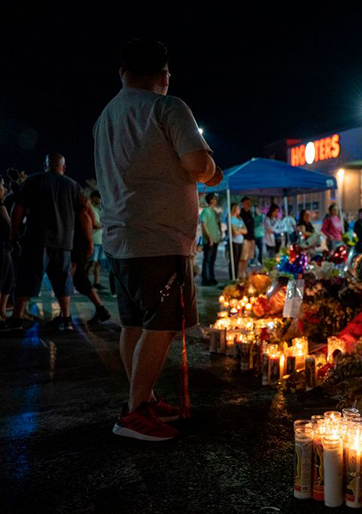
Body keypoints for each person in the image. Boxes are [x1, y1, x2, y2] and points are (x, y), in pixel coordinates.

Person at [94, 39, 223, 441]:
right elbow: (198, 165)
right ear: (164, 76)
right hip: (160, 239)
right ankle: (133, 413)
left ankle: (143, 399)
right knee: (161, 326)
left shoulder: (105, 117)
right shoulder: (166, 107)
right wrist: (212, 170)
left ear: (122, 73)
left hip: (119, 238)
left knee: (133, 323)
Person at [0, 153, 91, 332]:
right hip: (63, 242)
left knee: (27, 278)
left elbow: (18, 207)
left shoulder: (35, 180)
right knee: (63, 280)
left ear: (46, 165)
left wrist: (14, 233)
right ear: (63, 167)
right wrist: (88, 243)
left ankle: (17, 318)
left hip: (36, 239)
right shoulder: (73, 186)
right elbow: (84, 216)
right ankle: (66, 319)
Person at [71, 196, 111, 324]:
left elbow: (89, 227)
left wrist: (89, 245)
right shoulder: (86, 213)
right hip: (79, 249)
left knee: (74, 278)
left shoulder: (82, 214)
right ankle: (101, 310)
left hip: (77, 249)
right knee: (80, 279)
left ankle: (65, 315)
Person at [200, 193, 221, 286]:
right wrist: (209, 237)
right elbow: (203, 225)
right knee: (207, 260)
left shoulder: (214, 212)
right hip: (209, 240)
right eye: (214, 199)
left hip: (215, 239)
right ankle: (205, 279)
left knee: (212, 260)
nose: (215, 200)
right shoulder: (206, 211)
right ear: (211, 200)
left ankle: (212, 278)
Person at [87, 190, 105, 290]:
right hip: (94, 240)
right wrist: (103, 224)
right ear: (94, 198)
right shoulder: (90, 209)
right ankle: (85, 281)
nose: (100, 200)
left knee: (98, 262)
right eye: (99, 198)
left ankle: (96, 282)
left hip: (100, 240)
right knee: (91, 263)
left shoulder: (98, 209)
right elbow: (94, 224)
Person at [0, 180, 12, 321]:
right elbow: (8, 226)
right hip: (2, 246)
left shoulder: (3, 205)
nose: (4, 189)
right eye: (1, 187)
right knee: (3, 279)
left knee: (8, 279)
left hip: (6, 247)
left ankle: (2, 311)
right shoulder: (0, 206)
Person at [226, 202, 247, 279]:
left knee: (238, 261)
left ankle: (236, 276)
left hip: (240, 241)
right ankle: (232, 277)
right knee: (233, 261)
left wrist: (239, 230)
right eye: (238, 208)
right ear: (234, 209)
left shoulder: (240, 219)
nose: (239, 210)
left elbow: (246, 231)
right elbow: (234, 232)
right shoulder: (230, 219)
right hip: (233, 242)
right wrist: (240, 230)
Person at [239, 196, 256, 277]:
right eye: (247, 203)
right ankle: (240, 273)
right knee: (243, 257)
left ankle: (244, 272)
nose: (249, 204)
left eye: (249, 203)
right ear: (243, 204)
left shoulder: (249, 213)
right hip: (245, 238)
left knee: (248, 257)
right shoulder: (241, 214)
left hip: (251, 238)